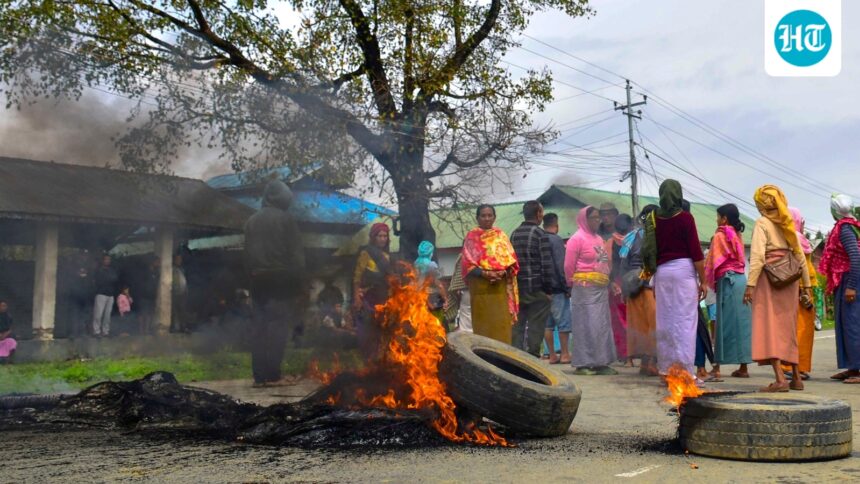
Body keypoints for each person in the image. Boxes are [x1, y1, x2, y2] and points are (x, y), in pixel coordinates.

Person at [743, 185, 811, 392]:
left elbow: (757, 257)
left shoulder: (762, 223)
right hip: (790, 279)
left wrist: (750, 285)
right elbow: (800, 257)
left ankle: (780, 379)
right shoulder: (787, 223)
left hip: (769, 279)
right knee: (788, 328)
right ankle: (796, 378)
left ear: (761, 205)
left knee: (769, 327)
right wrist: (806, 286)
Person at [245, 179, 306, 387]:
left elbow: (246, 256)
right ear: (284, 197)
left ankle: (259, 376)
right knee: (277, 327)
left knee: (259, 328)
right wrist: (300, 283)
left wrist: (250, 279)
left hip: (257, 279)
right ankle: (273, 376)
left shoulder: (251, 221)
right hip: (281, 280)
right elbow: (296, 256)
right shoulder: (286, 220)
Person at [642, 180, 707, 378]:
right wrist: (703, 281)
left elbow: (651, 251)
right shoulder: (686, 218)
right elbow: (696, 252)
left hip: (662, 274)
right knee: (685, 322)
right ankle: (685, 372)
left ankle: (666, 370)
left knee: (665, 321)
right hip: (683, 272)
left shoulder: (654, 218)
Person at [704, 203, 753, 380]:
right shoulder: (737, 234)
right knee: (743, 325)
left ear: (724, 219)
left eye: (718, 217)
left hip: (727, 281)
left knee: (722, 324)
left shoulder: (719, 236)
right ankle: (743, 367)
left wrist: (705, 279)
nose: (716, 220)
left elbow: (712, 262)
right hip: (741, 280)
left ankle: (716, 368)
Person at [566, 206, 616, 375]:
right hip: (584, 289)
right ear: (584, 219)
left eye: (598, 217)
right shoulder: (576, 239)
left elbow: (604, 260)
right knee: (585, 324)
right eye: (594, 217)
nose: (597, 220)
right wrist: (571, 282)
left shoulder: (599, 239)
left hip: (600, 288)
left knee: (601, 325)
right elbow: (568, 265)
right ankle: (583, 364)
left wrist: (608, 279)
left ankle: (601, 362)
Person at [461, 204, 519, 345]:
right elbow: (467, 265)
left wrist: (502, 272)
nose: (487, 218)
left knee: (501, 327)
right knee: (483, 329)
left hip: (500, 289)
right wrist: (485, 273)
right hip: (480, 290)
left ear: (494, 217)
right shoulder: (471, 237)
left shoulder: (501, 235)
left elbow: (512, 262)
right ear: (477, 218)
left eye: (489, 215)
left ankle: (503, 355)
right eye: (483, 216)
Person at [819, 194, 860, 384]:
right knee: (846, 324)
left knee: (853, 325)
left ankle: (858, 370)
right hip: (845, 279)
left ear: (834, 210)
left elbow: (856, 257)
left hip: (851, 280)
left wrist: (851, 287)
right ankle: (853, 368)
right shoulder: (848, 226)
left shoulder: (845, 229)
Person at [510, 201, 554, 356]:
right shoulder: (540, 234)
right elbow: (546, 264)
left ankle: (516, 358)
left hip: (517, 289)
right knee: (536, 326)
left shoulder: (514, 234)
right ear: (538, 214)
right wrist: (548, 290)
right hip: (537, 289)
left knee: (518, 326)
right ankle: (533, 357)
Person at [620, 204, 659, 376]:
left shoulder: (631, 236)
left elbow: (623, 263)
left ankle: (645, 363)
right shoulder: (657, 236)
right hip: (650, 286)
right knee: (653, 325)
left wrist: (625, 288)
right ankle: (651, 362)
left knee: (639, 325)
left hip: (633, 285)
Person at [781, 207, 817, 381]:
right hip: (805, 288)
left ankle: (791, 366)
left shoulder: (790, 237)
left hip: (797, 288)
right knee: (803, 330)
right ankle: (799, 367)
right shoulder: (801, 238)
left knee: (794, 329)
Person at [353, 223, 393, 358]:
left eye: (385, 236)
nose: (383, 239)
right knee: (368, 331)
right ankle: (369, 360)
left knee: (384, 331)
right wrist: (357, 298)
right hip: (369, 298)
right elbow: (357, 277)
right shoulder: (366, 253)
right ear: (373, 237)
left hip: (384, 298)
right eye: (379, 236)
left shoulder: (388, 256)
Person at [542, 212, 571, 364]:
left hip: (542, 290)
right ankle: (565, 354)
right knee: (563, 323)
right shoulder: (557, 240)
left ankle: (552, 355)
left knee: (548, 325)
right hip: (557, 288)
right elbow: (561, 266)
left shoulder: (539, 239)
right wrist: (567, 287)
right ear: (557, 225)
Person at [608, 213, 634, 366]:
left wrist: (611, 281)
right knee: (634, 320)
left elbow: (606, 264)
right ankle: (637, 352)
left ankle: (625, 355)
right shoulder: (636, 239)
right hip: (633, 283)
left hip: (616, 285)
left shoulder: (610, 242)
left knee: (619, 322)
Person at [414, 241, 448, 327]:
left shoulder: (416, 263)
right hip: (433, 299)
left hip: (419, 298)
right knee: (437, 325)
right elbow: (438, 284)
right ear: (430, 253)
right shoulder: (431, 265)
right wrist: (445, 299)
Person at [92, 254, 118, 337]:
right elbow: (98, 281)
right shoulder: (98, 270)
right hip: (101, 294)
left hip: (110, 294)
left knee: (107, 315)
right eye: (106, 259)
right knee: (98, 314)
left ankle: (105, 331)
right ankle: (96, 331)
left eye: (109, 259)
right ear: (102, 260)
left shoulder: (112, 270)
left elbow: (115, 279)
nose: (107, 261)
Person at [171, 254, 189, 333]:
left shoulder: (182, 269)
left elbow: (184, 281)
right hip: (175, 293)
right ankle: (172, 327)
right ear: (174, 260)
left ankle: (183, 327)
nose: (179, 261)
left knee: (182, 311)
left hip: (182, 293)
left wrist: (186, 290)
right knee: (173, 311)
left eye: (180, 259)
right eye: (178, 259)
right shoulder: (172, 269)